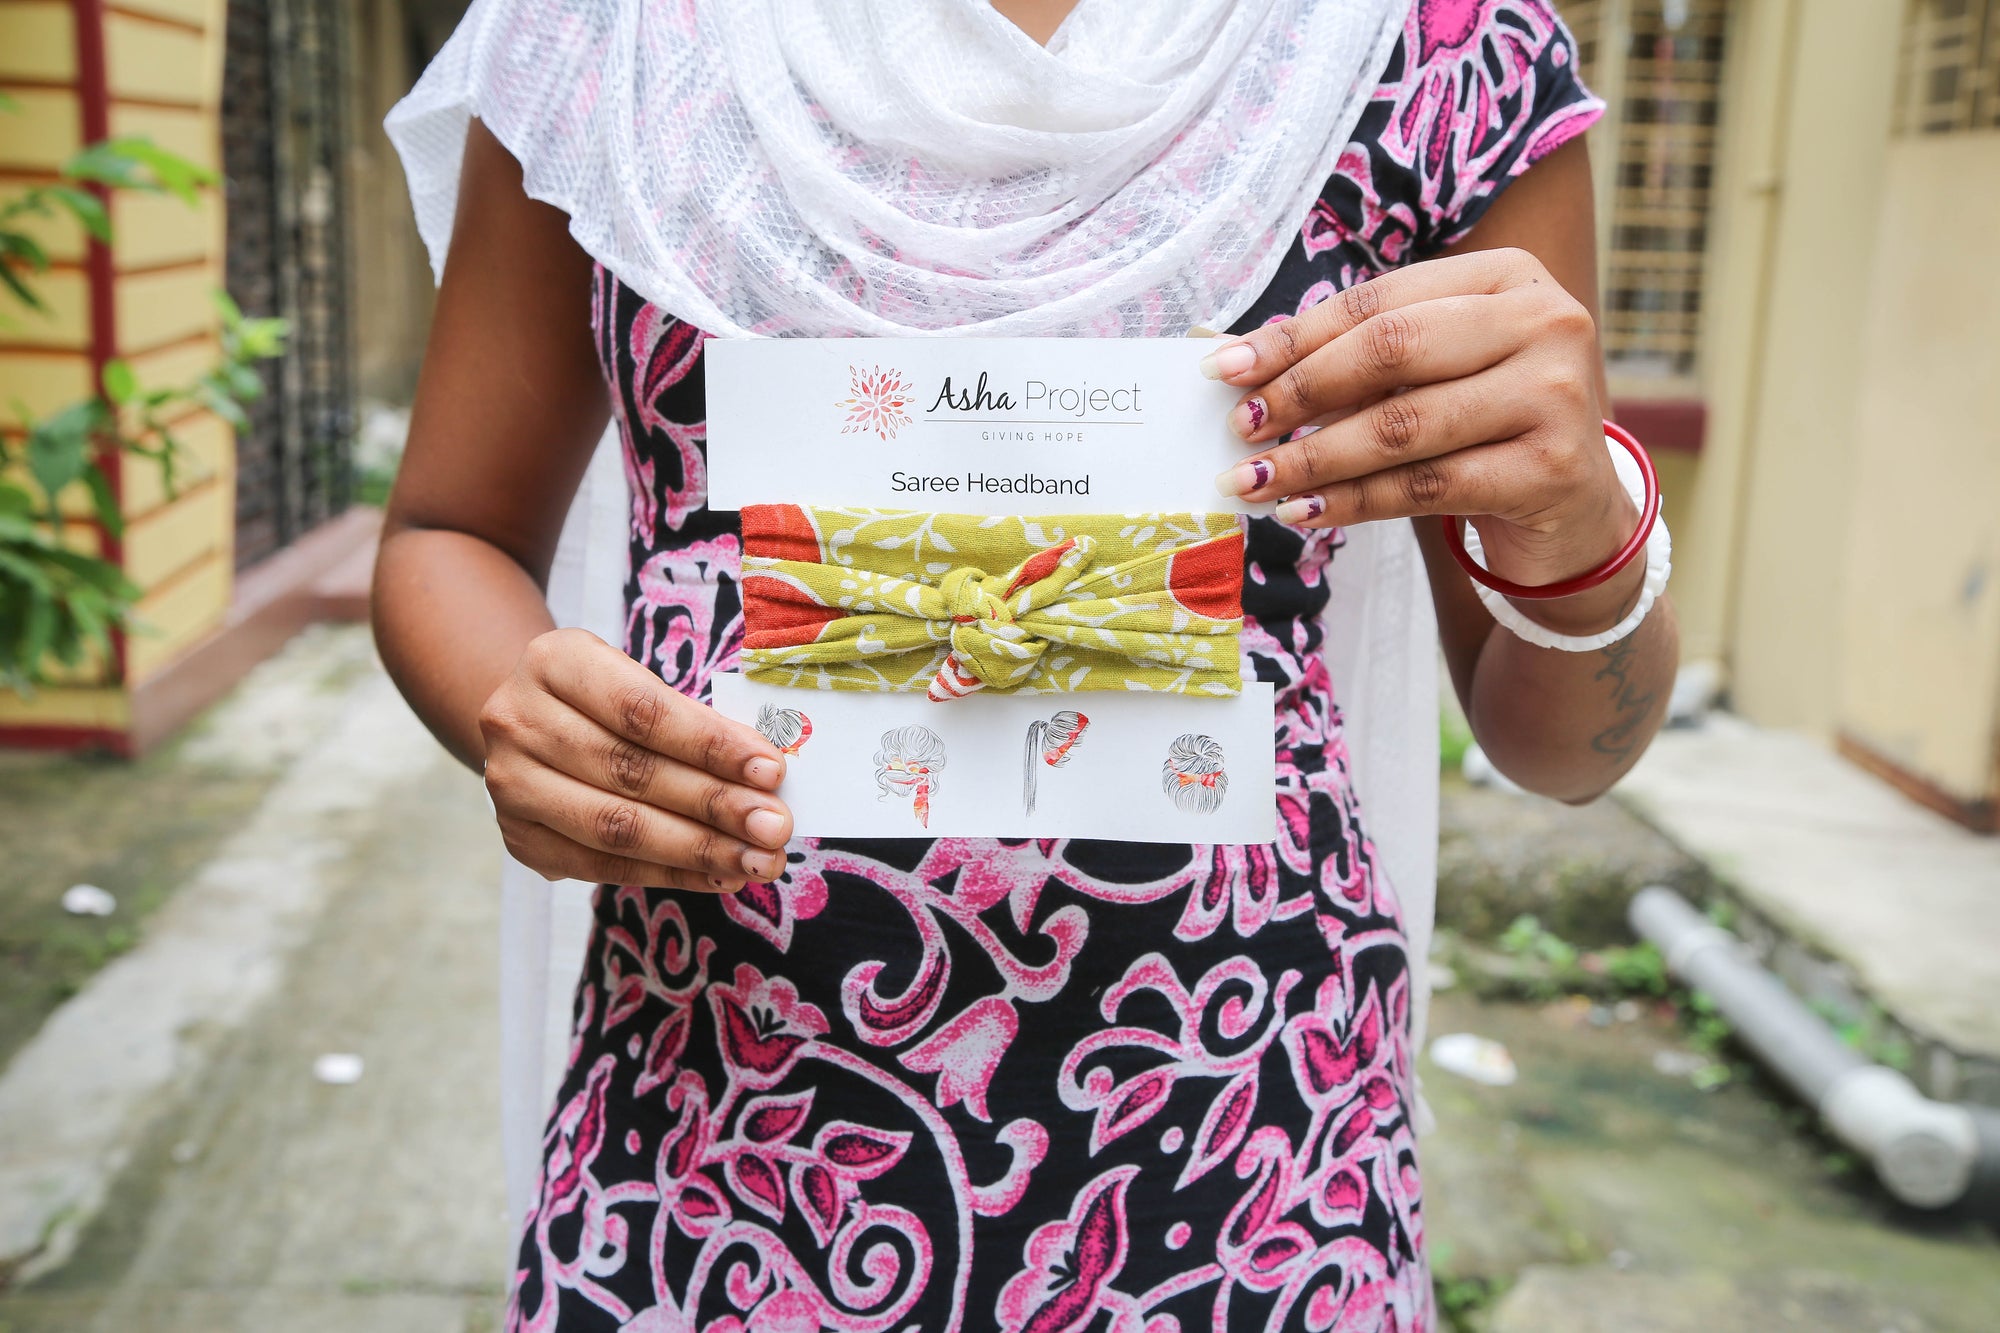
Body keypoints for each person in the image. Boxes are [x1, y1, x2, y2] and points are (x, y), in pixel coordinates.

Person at [377, 1, 1676, 1327]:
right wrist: (519, 703)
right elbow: (447, 531)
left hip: (1248, 1156)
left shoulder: (1425, 46)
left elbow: (1566, 745)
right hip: (719, 1141)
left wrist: (1581, 527)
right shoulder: (619, 30)